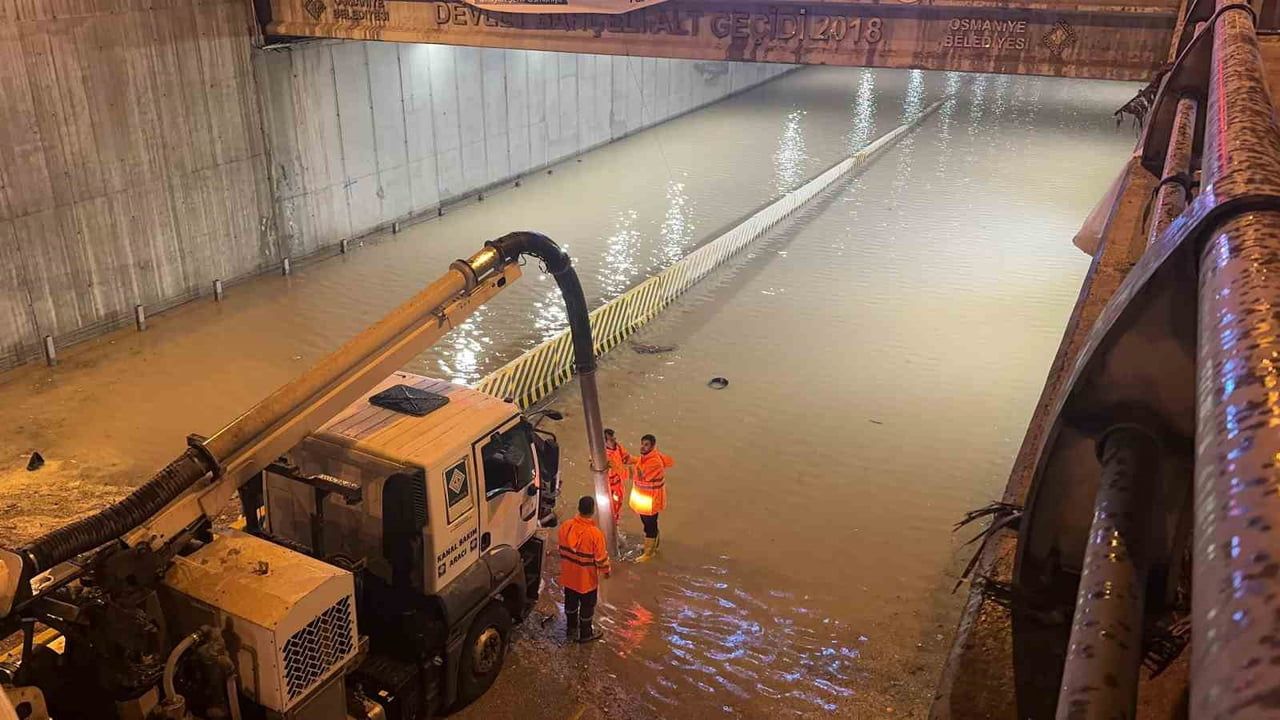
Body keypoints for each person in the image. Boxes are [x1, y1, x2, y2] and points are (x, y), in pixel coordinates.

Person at [558, 495, 611, 642]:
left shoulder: (566, 526)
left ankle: (571, 628)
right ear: (593, 511)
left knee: (570, 602)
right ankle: (586, 633)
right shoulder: (595, 534)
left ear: (578, 509)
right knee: (587, 606)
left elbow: (561, 549)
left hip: (569, 576)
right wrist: (606, 572)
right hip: (586, 580)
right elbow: (601, 559)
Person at [629, 433, 674, 563]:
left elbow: (635, 474)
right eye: (642, 444)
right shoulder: (649, 457)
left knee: (650, 526)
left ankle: (649, 552)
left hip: (651, 500)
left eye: (646, 445)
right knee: (649, 524)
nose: (642, 447)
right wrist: (627, 459)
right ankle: (653, 545)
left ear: (652, 446)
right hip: (647, 499)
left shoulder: (653, 462)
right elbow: (639, 462)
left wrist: (615, 466)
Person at [603, 429, 631, 527]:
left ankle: (615, 523)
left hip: (618, 483)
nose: (614, 441)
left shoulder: (617, 447)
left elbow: (626, 458)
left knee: (618, 505)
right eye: (611, 440)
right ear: (604, 442)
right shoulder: (603, 456)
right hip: (609, 487)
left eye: (614, 438)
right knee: (610, 508)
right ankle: (611, 526)